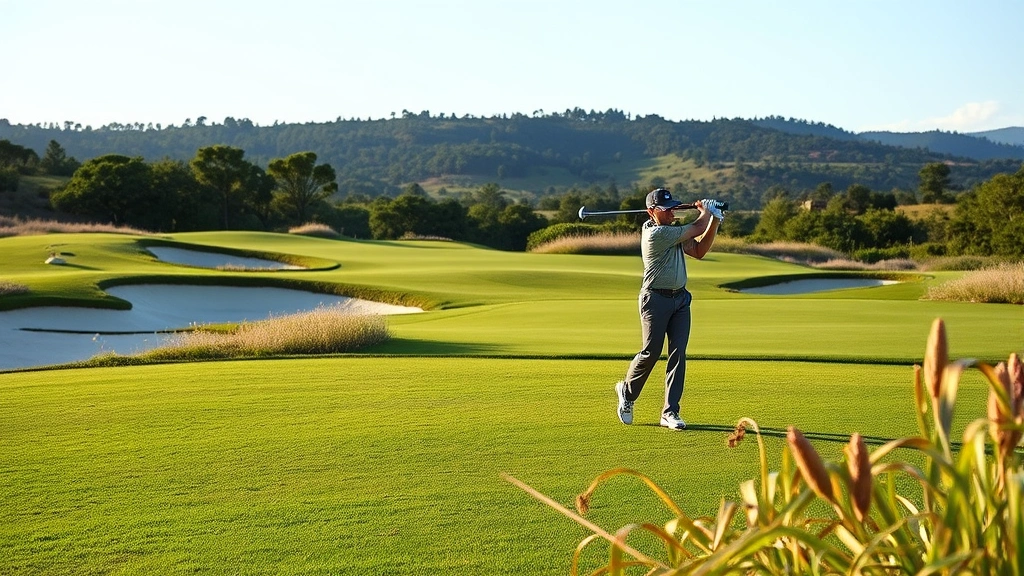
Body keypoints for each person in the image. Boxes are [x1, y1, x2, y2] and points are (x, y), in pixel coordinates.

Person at [615, 188, 724, 430]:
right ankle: (628, 393)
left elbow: (698, 251)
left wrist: (714, 220)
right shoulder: (657, 234)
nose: (673, 212)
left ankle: (670, 412)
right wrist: (706, 211)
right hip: (655, 300)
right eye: (667, 209)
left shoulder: (672, 231)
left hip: (681, 300)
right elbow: (697, 228)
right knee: (650, 352)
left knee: (678, 354)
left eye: (673, 207)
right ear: (651, 212)